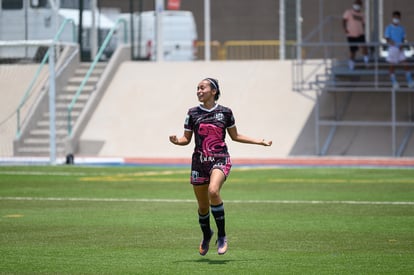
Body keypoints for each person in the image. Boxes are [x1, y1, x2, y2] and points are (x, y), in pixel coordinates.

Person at [169, 78, 272, 256]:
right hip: (199, 162)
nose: (199, 91)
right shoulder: (192, 113)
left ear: (214, 91)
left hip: (220, 158)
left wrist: (259, 141)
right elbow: (186, 139)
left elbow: (235, 135)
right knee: (202, 207)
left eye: (202, 88)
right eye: (197, 89)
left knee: (213, 191)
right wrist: (177, 141)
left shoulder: (225, 112)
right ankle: (207, 233)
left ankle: (222, 235)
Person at [384, 10, 414, 89]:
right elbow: (387, 38)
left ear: (400, 18)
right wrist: (391, 42)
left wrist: (402, 45)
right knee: (392, 65)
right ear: (392, 18)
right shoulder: (389, 27)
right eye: (395, 17)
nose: (396, 19)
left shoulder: (402, 28)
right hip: (393, 49)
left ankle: (409, 80)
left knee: (406, 64)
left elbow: (403, 38)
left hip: (400, 49)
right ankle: (394, 81)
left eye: (398, 17)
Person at [342, 0, 369, 70]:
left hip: (360, 34)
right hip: (351, 34)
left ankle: (366, 62)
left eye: (359, 4)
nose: (357, 5)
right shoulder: (349, 12)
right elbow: (344, 20)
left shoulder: (362, 14)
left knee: (364, 47)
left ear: (361, 6)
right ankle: (351, 66)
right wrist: (345, 29)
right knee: (353, 50)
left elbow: (363, 24)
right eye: (356, 3)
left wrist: (363, 30)